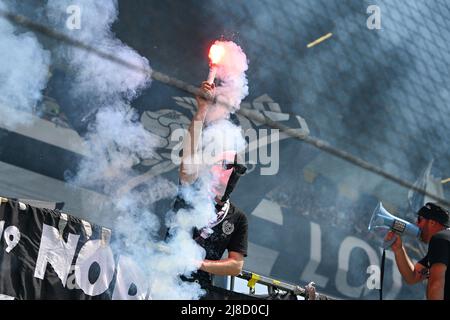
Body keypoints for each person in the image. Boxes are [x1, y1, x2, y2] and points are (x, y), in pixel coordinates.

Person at [170, 81, 249, 296]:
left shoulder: (238, 218)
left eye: (232, 169)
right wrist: (202, 109)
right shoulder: (192, 190)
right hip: (163, 273)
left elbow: (236, 265)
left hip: (196, 291)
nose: (225, 173)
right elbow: (187, 165)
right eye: (223, 165)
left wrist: (200, 263)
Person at [386, 202, 450, 300]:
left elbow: (436, 284)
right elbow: (413, 277)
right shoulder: (444, 243)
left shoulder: (440, 239)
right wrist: (399, 249)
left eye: (420, 219)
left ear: (432, 222)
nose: (416, 224)